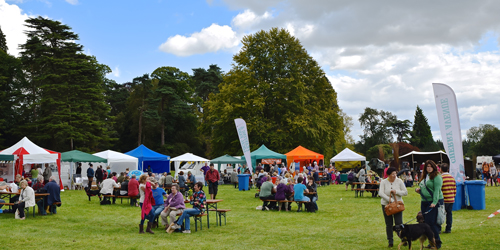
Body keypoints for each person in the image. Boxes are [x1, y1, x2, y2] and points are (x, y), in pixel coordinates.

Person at [415, 160, 443, 249]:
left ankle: (437, 243)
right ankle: (431, 242)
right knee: (426, 223)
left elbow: (437, 191)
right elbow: (424, 187)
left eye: (430, 166)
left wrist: (434, 202)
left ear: (434, 167)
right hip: (424, 201)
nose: (429, 168)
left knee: (431, 223)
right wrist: (419, 190)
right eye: (427, 166)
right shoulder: (425, 176)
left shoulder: (437, 176)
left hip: (432, 202)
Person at [379, 167, 408, 247]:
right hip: (386, 205)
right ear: (388, 175)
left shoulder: (399, 181)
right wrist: (390, 200)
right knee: (389, 224)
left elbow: (405, 192)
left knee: (399, 223)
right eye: (392, 174)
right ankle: (390, 241)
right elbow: (381, 193)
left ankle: (403, 239)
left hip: (398, 205)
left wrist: (397, 192)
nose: (394, 175)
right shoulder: (384, 182)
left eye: (395, 173)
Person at [440, 163, 456, 234]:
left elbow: (439, 189)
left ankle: (438, 228)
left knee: (440, 214)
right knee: (449, 214)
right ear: (448, 169)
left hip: (444, 199)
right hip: (451, 199)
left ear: (440, 169)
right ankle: (448, 228)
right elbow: (454, 189)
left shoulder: (441, 178)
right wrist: (453, 196)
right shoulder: (452, 178)